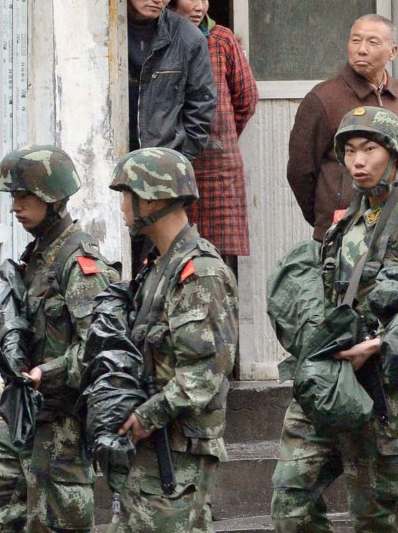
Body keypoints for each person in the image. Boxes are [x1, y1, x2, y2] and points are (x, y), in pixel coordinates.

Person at [270, 107, 398, 533]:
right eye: (349, 151)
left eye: (369, 149)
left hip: (384, 389)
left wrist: (378, 345)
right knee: (290, 499)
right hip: (329, 379)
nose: (357, 161)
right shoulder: (344, 223)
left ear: (396, 156)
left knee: (378, 517)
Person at [0, 145, 118, 533]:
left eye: (23, 196)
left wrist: (45, 373)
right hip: (27, 416)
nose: (15, 207)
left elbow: (99, 349)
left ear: (53, 199)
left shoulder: (79, 263)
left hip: (63, 423)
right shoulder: (38, 255)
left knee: (56, 524)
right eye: (13, 197)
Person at [108, 147, 237, 533]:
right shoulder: (157, 268)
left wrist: (146, 416)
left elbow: (203, 374)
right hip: (153, 446)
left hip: (177, 451)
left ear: (152, 196)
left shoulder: (198, 273)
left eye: (126, 195)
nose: (123, 207)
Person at [287, 14, 398, 241]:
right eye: (355, 40)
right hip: (342, 230)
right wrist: (326, 214)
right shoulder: (323, 98)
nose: (361, 49)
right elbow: (300, 172)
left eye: (373, 42)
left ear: (393, 52)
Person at [168, 0, 258, 265]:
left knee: (219, 260)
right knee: (175, 252)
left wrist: (222, 135)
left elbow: (246, 99)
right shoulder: (161, 38)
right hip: (174, 163)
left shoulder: (221, 39)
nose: (199, 7)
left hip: (219, 168)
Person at [126, 0, 216, 161]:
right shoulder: (100, 35)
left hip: (162, 166)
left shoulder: (188, 38)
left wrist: (179, 159)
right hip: (107, 159)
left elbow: (202, 105)